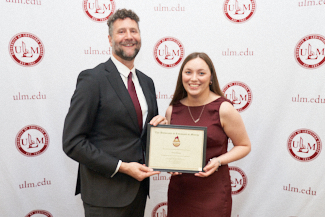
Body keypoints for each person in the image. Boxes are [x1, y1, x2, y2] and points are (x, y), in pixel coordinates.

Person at [62, 9, 166, 217]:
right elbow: (72, 142)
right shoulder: (93, 79)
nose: (129, 37)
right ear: (110, 39)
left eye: (134, 31)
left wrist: (159, 132)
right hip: (104, 195)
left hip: (138, 192)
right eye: (121, 32)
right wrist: (123, 167)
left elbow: (139, 135)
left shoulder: (147, 82)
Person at [165, 52, 251, 217]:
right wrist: (169, 165)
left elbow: (244, 145)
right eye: (188, 72)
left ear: (211, 78)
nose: (194, 78)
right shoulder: (172, 110)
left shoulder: (223, 109)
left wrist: (219, 161)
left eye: (201, 73)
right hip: (180, 192)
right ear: (181, 76)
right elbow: (172, 151)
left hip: (213, 193)